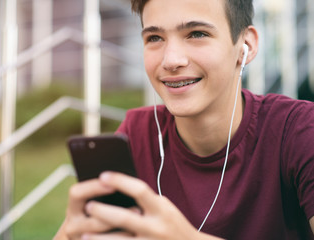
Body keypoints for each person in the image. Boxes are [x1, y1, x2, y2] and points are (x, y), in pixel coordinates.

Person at [54, 0, 314, 239]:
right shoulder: (137, 134)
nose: (171, 60)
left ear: (246, 45)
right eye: (154, 38)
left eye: (197, 34)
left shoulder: (300, 129)